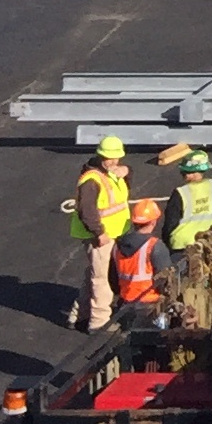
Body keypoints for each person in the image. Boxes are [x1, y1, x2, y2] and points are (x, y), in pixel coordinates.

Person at [63, 137, 129, 330]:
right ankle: (99, 323)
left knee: (94, 274)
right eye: (111, 158)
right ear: (101, 156)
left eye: (117, 158)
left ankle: (79, 315)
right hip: (102, 237)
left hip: (114, 233)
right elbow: (87, 211)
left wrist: (126, 172)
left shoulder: (110, 172)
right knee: (102, 279)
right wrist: (99, 233)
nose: (115, 162)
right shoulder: (92, 181)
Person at [165, 148, 212, 328]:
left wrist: (167, 243)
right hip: (205, 246)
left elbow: (170, 224)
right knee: (203, 285)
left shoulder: (181, 193)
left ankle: (181, 322)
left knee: (178, 290)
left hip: (181, 247)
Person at [109, 200, 167, 325]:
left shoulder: (117, 246)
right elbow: (166, 281)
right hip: (150, 306)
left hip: (125, 304)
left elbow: (113, 279)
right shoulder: (154, 246)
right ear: (153, 221)